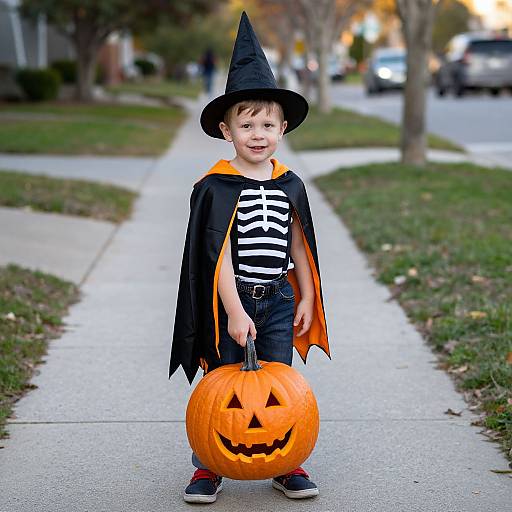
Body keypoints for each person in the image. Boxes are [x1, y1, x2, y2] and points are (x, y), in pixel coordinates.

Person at [168, 11, 330, 504]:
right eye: (246, 124)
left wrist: (304, 296)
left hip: (278, 298)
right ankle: (208, 466)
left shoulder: (289, 184)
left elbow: (299, 243)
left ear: (283, 128)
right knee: (223, 381)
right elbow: (214, 259)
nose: (258, 134)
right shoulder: (215, 187)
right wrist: (234, 311)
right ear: (225, 129)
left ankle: (287, 462)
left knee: (280, 379)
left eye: (268, 124)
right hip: (230, 301)